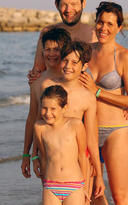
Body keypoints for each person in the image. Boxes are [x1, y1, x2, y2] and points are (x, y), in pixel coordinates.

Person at [79, 1, 128, 205]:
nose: (103, 28)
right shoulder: (85, 52)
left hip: (115, 131)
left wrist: (97, 91)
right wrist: (38, 75)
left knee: (120, 197)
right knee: (92, 195)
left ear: (119, 28)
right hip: (87, 132)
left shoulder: (124, 57)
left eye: (110, 24)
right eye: (100, 22)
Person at [32, 40, 105, 201]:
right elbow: (38, 122)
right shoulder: (48, 85)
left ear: (84, 66)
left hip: (79, 160)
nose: (67, 66)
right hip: (52, 159)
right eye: (65, 60)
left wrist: (98, 174)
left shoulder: (87, 96)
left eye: (74, 62)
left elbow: (91, 137)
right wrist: (33, 155)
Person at [21, 27, 71, 179]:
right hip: (47, 154)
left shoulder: (75, 79)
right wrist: (29, 155)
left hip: (73, 152)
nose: (51, 54)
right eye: (47, 49)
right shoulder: (37, 82)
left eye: (57, 49)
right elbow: (34, 119)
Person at [29, 0, 98, 80]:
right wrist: (33, 76)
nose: (68, 9)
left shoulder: (94, 35)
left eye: (74, 4)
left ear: (83, 3)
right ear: (56, 5)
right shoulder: (47, 33)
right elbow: (38, 72)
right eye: (64, 4)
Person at [34, 85, 89, 205]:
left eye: (53, 108)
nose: (48, 113)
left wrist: (85, 187)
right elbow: (43, 158)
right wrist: (44, 185)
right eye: (44, 108)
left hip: (74, 185)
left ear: (64, 108)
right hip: (50, 186)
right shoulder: (39, 128)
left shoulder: (75, 124)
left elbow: (82, 156)